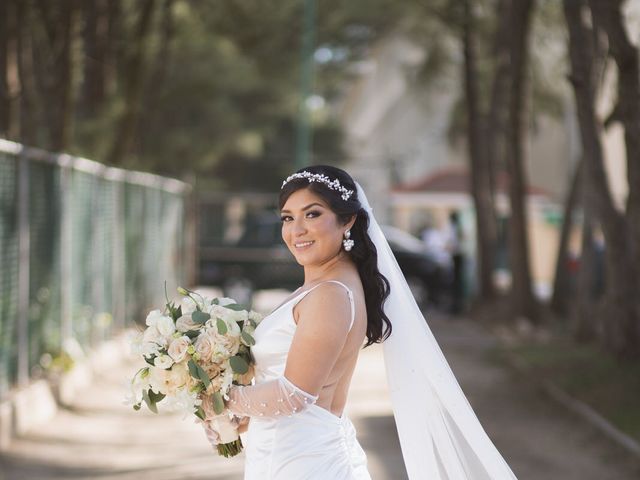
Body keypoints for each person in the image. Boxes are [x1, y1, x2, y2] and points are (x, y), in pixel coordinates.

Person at [202, 166, 518, 479]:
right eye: (288, 217)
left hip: (302, 463)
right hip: (286, 453)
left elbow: (294, 394)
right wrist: (239, 414)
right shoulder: (325, 285)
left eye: (312, 214)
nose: (296, 229)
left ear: (348, 219)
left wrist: (220, 399)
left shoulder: (331, 294)